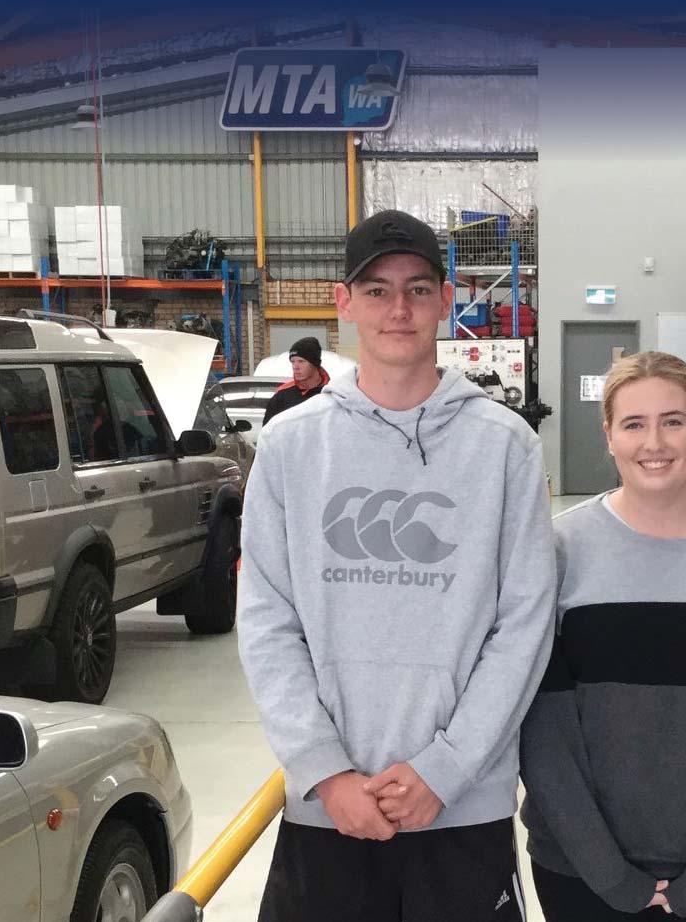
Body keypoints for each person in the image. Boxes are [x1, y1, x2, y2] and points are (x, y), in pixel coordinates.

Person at [237, 209, 556, 922]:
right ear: (344, 303)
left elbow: (524, 626)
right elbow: (266, 623)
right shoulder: (290, 446)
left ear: (445, 300)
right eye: (376, 290)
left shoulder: (505, 446)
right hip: (329, 811)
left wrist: (445, 769)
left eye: (417, 289)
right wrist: (326, 771)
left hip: (463, 810)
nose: (399, 309)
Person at [520, 351, 686, 921]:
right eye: (634, 424)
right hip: (580, 872)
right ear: (609, 435)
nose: (654, 442)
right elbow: (543, 733)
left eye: (674, 421)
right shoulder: (558, 552)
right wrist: (609, 875)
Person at [262, 337, 330, 425]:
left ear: (315, 363)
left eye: (301, 361)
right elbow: (268, 430)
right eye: (293, 361)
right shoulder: (282, 394)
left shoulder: (331, 392)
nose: (295, 367)